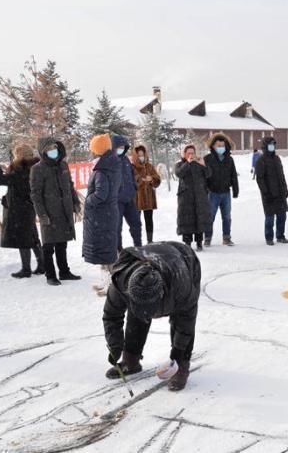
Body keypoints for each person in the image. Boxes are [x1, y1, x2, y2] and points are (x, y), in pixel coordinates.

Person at [103, 242, 200, 392]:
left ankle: (180, 366)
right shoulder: (120, 281)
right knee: (138, 315)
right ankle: (131, 360)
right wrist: (114, 345)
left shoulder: (181, 284)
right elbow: (111, 316)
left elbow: (186, 320)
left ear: (161, 294)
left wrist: (178, 353)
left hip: (184, 260)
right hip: (154, 257)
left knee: (181, 318)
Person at [30, 138, 82, 286]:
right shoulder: (37, 169)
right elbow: (35, 194)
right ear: (43, 151)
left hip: (64, 210)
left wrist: (75, 202)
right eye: (49, 149)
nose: (53, 151)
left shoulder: (63, 165)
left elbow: (70, 186)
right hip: (49, 212)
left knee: (62, 243)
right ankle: (50, 275)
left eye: (54, 147)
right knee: (48, 246)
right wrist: (42, 214)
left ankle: (64, 272)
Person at [0, 144, 44, 278]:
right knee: (32, 237)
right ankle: (42, 265)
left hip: (19, 209)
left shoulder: (20, 170)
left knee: (23, 239)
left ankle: (26, 269)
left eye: (15, 155)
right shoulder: (34, 168)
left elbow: (1, 180)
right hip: (29, 207)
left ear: (19, 156)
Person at [83, 134, 121, 294]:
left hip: (101, 216)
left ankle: (111, 286)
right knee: (106, 250)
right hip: (107, 214)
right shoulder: (111, 166)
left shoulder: (101, 171)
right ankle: (106, 282)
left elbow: (101, 194)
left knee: (106, 252)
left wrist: (88, 200)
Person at [203, 133, 239, 247]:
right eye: (218, 145)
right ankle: (207, 238)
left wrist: (235, 189)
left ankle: (226, 238)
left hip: (226, 192)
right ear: (213, 146)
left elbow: (233, 175)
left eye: (222, 145)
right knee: (210, 217)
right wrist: (205, 190)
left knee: (227, 217)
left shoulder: (229, 159)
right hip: (212, 193)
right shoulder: (207, 159)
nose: (221, 148)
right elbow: (203, 176)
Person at [175, 145, 211, 251]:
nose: (191, 155)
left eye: (192, 152)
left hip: (199, 196)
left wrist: (204, 165)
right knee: (187, 219)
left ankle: (199, 242)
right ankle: (187, 243)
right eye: (188, 153)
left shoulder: (199, 164)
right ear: (184, 154)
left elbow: (209, 174)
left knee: (199, 219)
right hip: (186, 197)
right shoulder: (180, 164)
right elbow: (179, 173)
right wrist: (188, 163)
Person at [255, 137, 288, 245]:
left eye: (273, 144)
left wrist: (285, 189)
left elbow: (282, 176)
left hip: (280, 193)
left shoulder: (277, 159)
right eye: (270, 144)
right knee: (269, 217)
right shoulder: (261, 160)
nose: (272, 146)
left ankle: (280, 235)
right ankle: (269, 237)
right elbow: (260, 179)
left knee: (282, 216)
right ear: (265, 146)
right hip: (269, 194)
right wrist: (265, 192)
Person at [112, 135, 142, 250]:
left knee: (136, 224)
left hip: (129, 199)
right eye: (119, 147)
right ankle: (118, 250)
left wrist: (134, 187)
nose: (121, 149)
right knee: (117, 228)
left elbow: (131, 174)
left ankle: (138, 247)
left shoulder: (125, 160)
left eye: (123, 147)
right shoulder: (110, 160)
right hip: (117, 201)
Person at [132, 145, 161, 244]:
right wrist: (140, 179)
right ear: (135, 156)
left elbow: (157, 179)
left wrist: (152, 179)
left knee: (149, 220)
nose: (141, 157)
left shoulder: (149, 166)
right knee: (136, 222)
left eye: (142, 155)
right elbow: (131, 180)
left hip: (149, 198)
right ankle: (137, 241)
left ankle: (150, 240)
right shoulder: (132, 167)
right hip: (137, 199)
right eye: (139, 155)